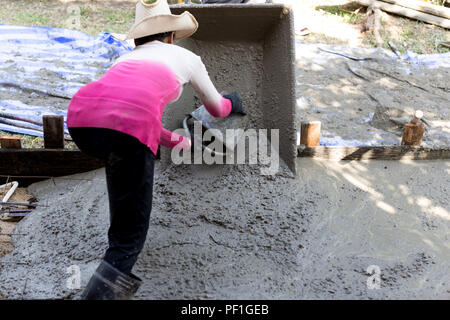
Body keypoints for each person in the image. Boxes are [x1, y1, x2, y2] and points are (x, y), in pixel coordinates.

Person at [67, 0, 244, 300]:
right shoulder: (187, 58)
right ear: (172, 35)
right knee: (129, 236)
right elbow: (216, 108)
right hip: (125, 134)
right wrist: (233, 103)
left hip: (81, 122)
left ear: (138, 38)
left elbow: (125, 113)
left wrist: (174, 141)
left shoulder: (124, 60)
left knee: (122, 177)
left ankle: (116, 238)